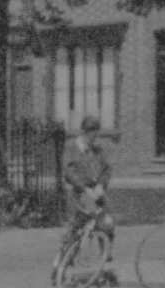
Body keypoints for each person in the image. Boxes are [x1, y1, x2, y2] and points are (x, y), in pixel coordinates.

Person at [54, 114, 117, 286]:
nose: (93, 138)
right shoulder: (72, 147)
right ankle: (60, 267)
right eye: (91, 134)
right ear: (84, 132)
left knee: (108, 225)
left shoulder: (98, 150)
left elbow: (106, 169)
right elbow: (68, 172)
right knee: (75, 231)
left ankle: (106, 265)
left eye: (96, 134)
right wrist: (84, 188)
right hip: (80, 195)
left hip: (97, 195)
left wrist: (101, 185)